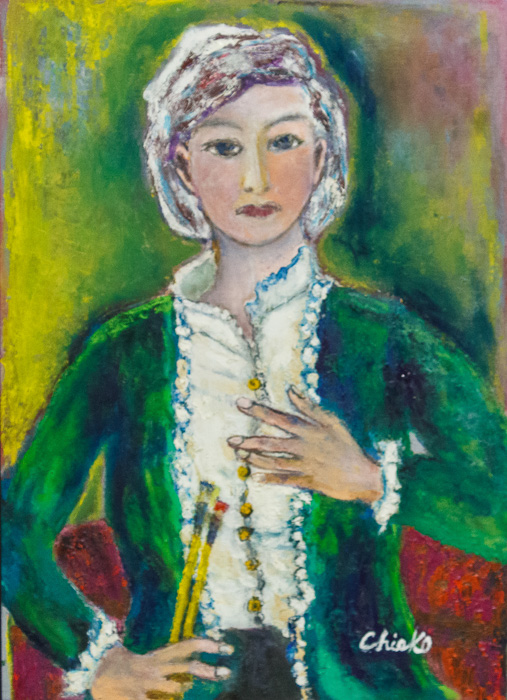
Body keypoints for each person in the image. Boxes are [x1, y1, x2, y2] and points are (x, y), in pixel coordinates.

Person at [2, 22, 507, 700]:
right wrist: (100, 661)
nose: (255, 178)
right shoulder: (126, 354)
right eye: (224, 146)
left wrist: (370, 480)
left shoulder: (384, 340)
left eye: (284, 141)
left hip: (362, 682)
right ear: (182, 165)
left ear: (322, 156)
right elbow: (13, 525)